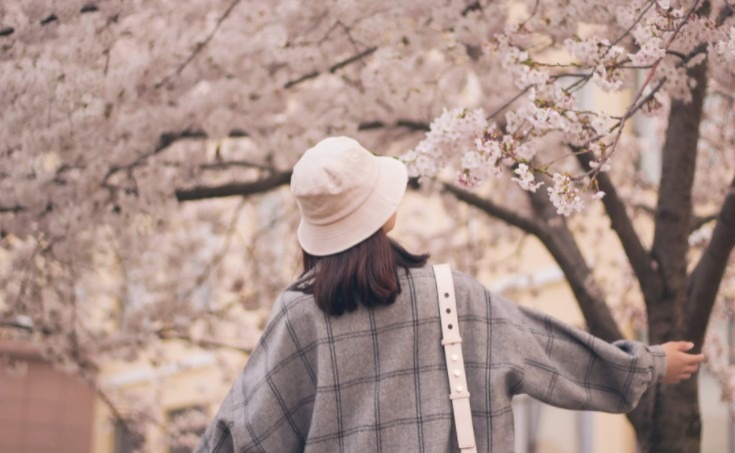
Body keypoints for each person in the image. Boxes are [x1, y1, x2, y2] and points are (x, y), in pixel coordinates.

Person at [195, 136, 705, 453]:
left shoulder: (298, 316)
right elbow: (550, 353)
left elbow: (242, 434)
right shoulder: (450, 298)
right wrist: (649, 364)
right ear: (386, 213)